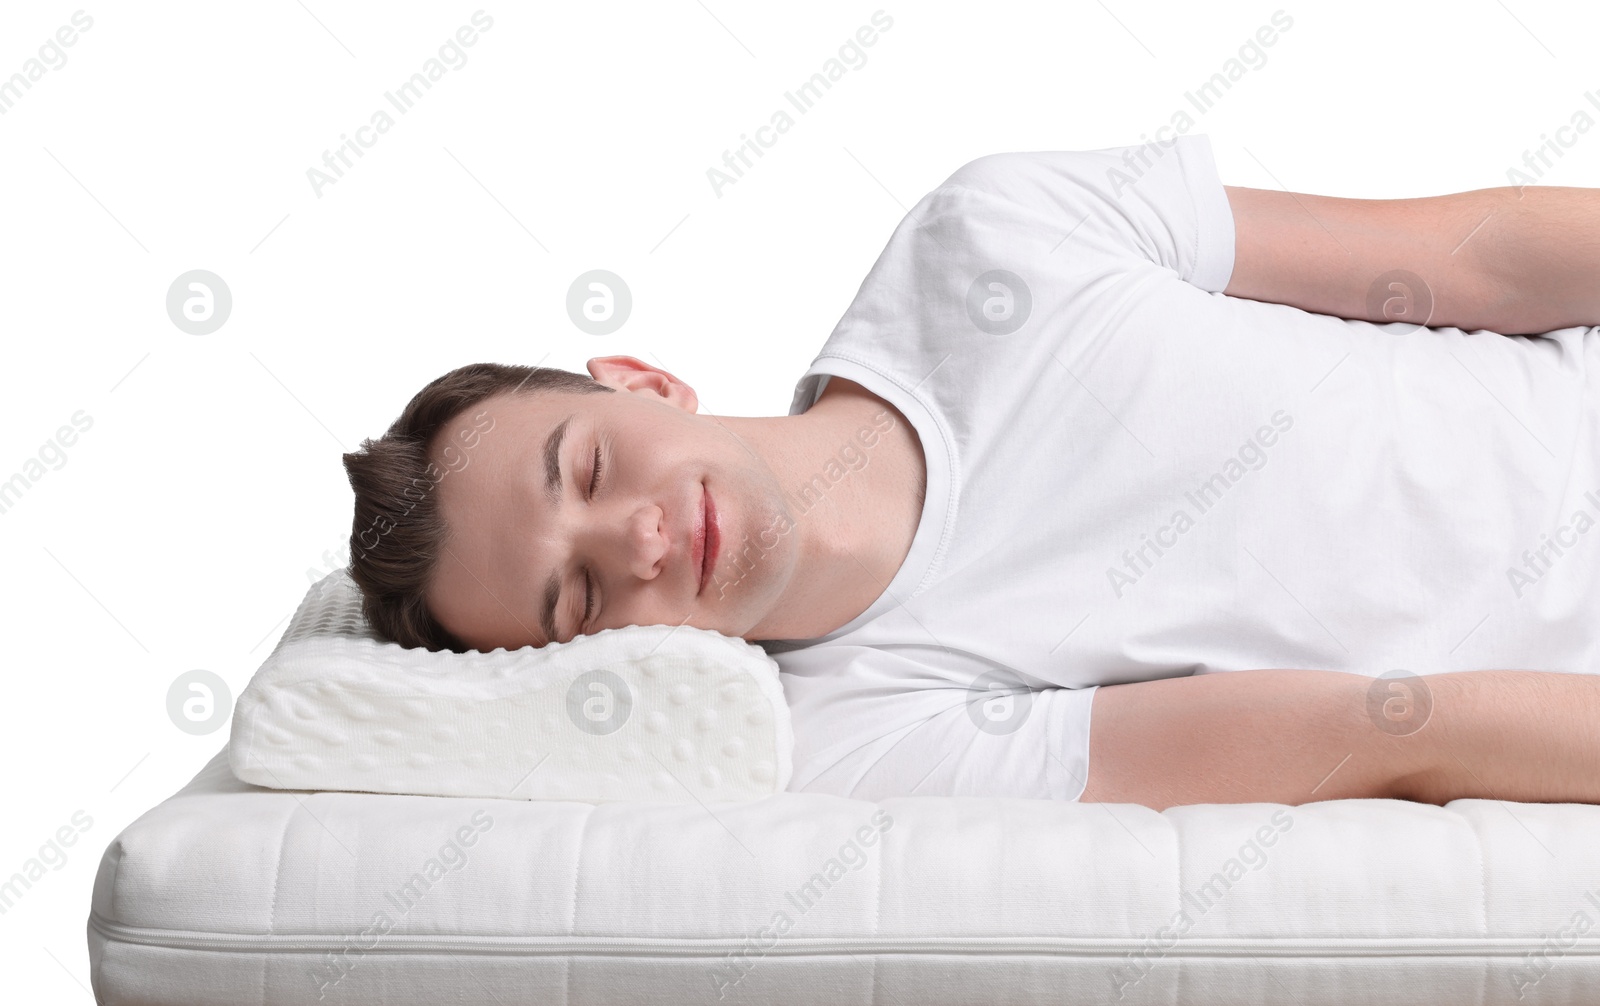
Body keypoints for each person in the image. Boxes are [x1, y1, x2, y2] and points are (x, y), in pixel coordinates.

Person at [342, 134, 1600, 811]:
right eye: (579, 599)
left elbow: (1463, 261)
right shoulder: (858, 731)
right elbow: (1388, 726)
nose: (640, 544)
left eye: (592, 468)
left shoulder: (994, 233)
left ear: (639, 379)